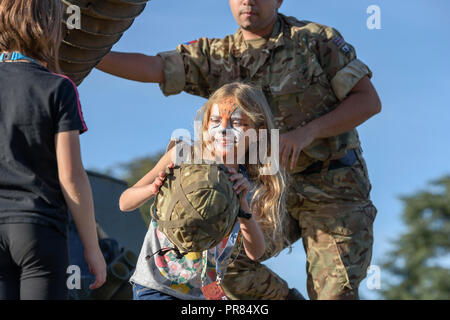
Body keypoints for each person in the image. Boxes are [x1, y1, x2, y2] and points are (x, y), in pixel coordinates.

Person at [97, 0, 381, 300]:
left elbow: (368, 100)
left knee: (335, 293)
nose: (248, 1)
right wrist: (88, 56)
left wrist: (308, 133)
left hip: (331, 188)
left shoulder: (315, 41)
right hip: (260, 189)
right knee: (217, 250)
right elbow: (156, 67)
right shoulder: (220, 55)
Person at [119, 82, 289, 300]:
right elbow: (124, 202)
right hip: (156, 287)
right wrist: (153, 189)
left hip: (204, 295)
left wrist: (243, 208)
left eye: (236, 123)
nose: (224, 130)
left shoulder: (248, 185)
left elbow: (255, 253)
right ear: (206, 124)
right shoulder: (183, 156)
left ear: (257, 132)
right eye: (216, 120)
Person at [0, 0, 106, 300]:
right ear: (50, 28)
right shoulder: (59, 87)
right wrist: (92, 248)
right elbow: (71, 177)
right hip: (38, 229)